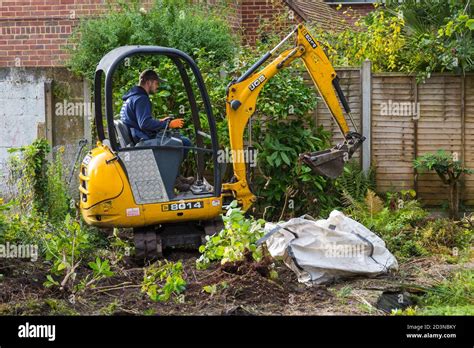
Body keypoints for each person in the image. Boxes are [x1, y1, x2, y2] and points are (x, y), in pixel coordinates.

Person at [120, 69, 194, 191]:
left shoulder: (132, 98)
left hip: (138, 137)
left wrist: (160, 121)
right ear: (149, 82)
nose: (157, 86)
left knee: (180, 141)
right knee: (184, 143)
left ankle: (176, 176)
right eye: (156, 83)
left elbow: (138, 121)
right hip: (143, 140)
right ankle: (174, 180)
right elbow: (144, 123)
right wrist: (168, 125)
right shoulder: (141, 99)